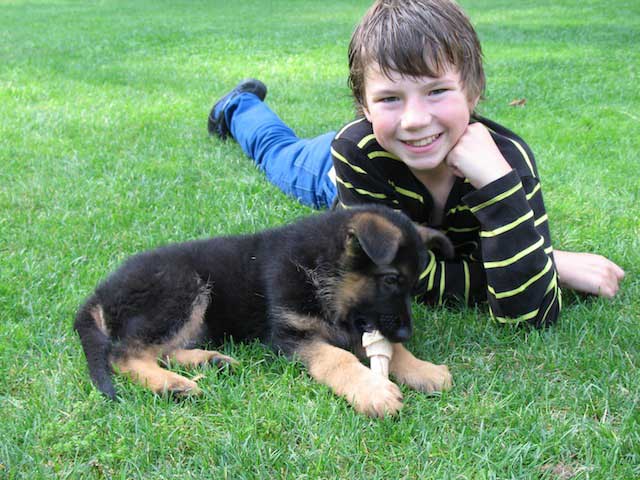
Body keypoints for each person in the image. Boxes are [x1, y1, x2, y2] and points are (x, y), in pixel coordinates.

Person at [206, 0, 624, 326]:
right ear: (363, 106)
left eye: (437, 91)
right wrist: (550, 262)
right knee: (278, 153)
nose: (415, 120)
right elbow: (388, 276)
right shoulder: (355, 150)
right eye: (390, 97)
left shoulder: (507, 162)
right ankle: (240, 105)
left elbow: (529, 315)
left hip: (397, 155)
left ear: (474, 92)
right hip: (334, 172)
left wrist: (498, 187)